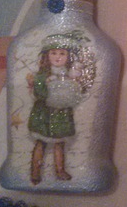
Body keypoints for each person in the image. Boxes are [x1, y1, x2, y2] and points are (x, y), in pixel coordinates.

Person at [27, 31, 85, 184]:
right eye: (53, 53)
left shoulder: (69, 74)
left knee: (59, 143)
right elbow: (38, 93)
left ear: (68, 56)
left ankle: (60, 170)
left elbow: (75, 93)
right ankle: (35, 172)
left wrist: (74, 86)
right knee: (41, 142)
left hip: (61, 114)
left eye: (62, 53)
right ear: (47, 56)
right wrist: (43, 85)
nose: (57, 57)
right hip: (44, 114)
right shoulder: (42, 75)